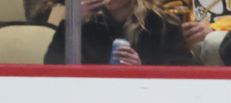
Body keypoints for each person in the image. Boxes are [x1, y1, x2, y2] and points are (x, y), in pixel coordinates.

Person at [43, 0, 192, 65]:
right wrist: (73, 23)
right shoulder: (85, 22)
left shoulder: (161, 23)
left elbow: (183, 69)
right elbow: (52, 63)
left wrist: (143, 70)